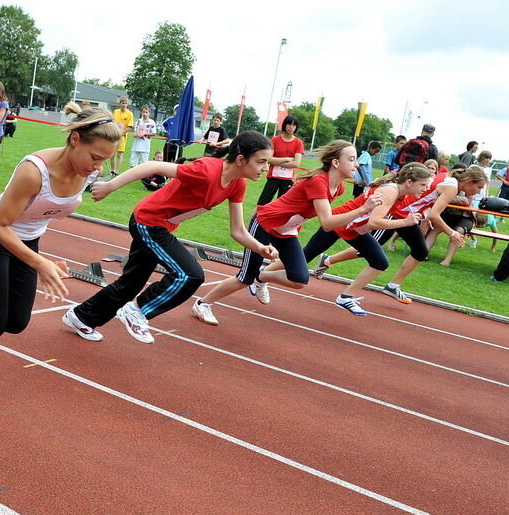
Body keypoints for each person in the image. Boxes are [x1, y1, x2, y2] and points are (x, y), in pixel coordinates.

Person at [0, 102, 121, 383]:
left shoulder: (88, 171)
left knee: (15, 322)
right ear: (75, 140)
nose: (97, 167)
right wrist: (40, 263)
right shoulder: (34, 172)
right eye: (94, 157)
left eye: (104, 160)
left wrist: (111, 185)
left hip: (29, 241)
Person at [64, 131, 277, 342]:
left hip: (162, 226)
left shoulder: (237, 184)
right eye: (261, 162)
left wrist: (260, 247)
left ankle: (81, 317)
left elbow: (237, 230)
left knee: (130, 284)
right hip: (148, 222)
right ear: (241, 159)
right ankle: (136, 311)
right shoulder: (206, 171)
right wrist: (110, 186)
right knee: (190, 274)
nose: (265, 168)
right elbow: (153, 166)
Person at [193, 141, 382, 325]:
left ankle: (262, 277)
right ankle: (203, 303)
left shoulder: (338, 187)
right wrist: (362, 210)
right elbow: (326, 223)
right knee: (244, 277)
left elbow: (327, 219)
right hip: (265, 223)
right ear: (335, 163)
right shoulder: (319, 182)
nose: (357, 164)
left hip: (287, 230)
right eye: (352, 159)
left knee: (299, 279)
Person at [318, 164, 488, 302]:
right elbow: (436, 214)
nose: (479, 191)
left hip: (408, 216)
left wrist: (425, 214)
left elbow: (428, 199)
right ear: (470, 181)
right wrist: (452, 233)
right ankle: (329, 260)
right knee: (371, 249)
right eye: (479, 187)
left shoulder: (450, 181)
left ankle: (393, 286)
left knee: (420, 251)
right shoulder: (452, 187)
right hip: (396, 212)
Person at [285, 163, 432, 315]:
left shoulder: (402, 194)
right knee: (306, 255)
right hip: (340, 221)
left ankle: (346, 297)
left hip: (354, 228)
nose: (426, 189)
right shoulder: (391, 191)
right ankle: (262, 274)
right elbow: (374, 222)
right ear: (409, 182)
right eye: (423, 185)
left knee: (379, 262)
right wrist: (405, 222)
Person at [255, 114, 304, 205]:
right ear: (285, 125)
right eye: (289, 124)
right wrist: (287, 159)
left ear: (296, 127)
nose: (291, 127)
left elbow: (296, 164)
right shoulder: (275, 139)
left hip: (288, 179)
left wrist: (277, 161)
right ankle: (254, 219)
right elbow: (268, 159)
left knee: (283, 205)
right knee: (263, 202)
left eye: (294, 125)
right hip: (273, 177)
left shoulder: (298, 142)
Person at [106, 97, 133, 176]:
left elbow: (129, 127)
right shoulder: (115, 112)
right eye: (122, 103)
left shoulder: (129, 114)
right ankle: (112, 170)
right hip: (114, 135)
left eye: (125, 103)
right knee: (113, 153)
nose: (124, 105)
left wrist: (121, 133)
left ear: (127, 104)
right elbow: (112, 122)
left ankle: (116, 171)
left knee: (120, 154)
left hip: (122, 136)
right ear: (120, 103)